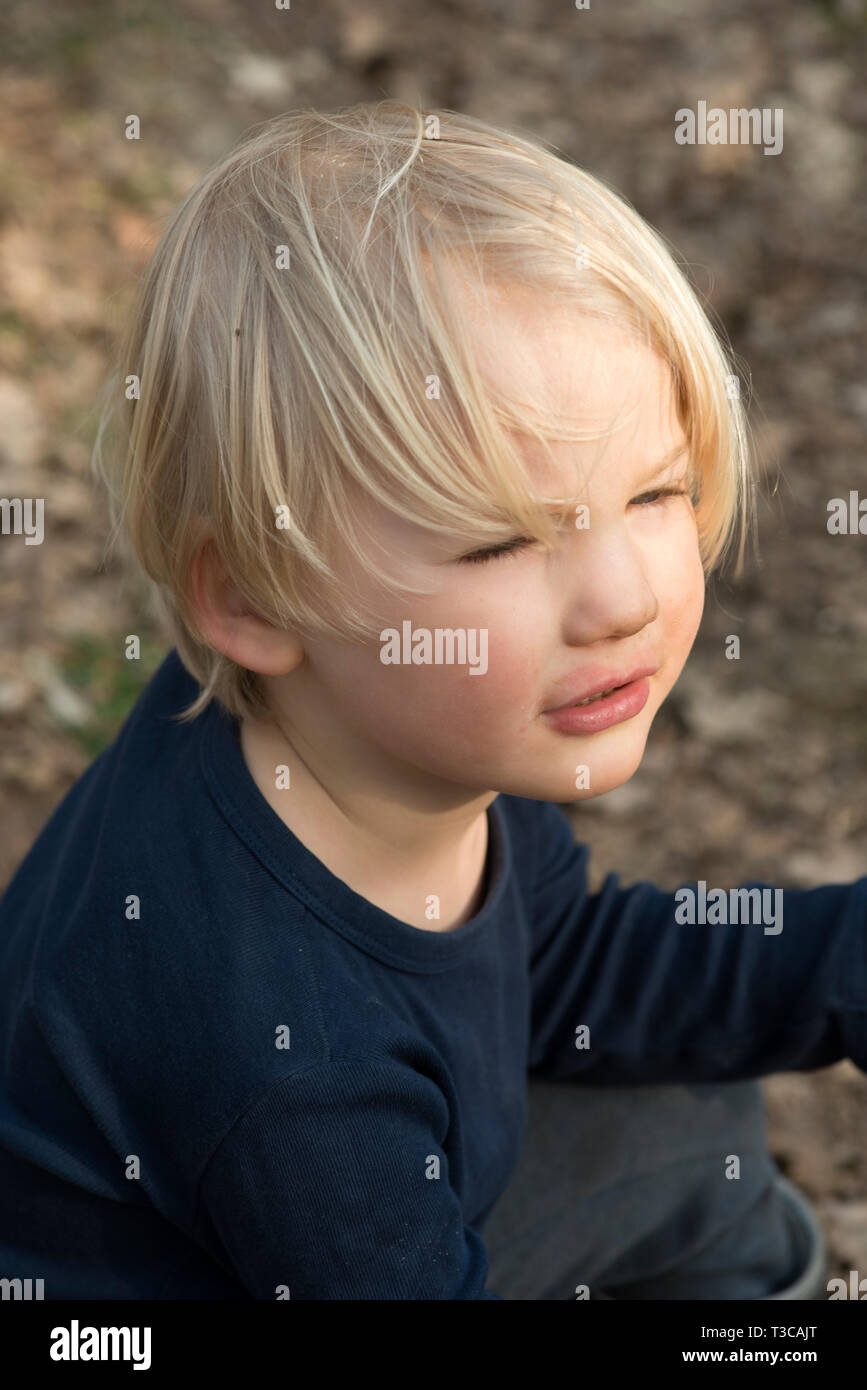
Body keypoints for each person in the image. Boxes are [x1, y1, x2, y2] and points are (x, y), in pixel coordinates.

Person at [0, 101, 859, 1300]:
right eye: (502, 541)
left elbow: (563, 968)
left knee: (686, 1107)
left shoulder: (361, 731)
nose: (620, 597)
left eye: (655, 492)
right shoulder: (293, 1067)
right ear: (252, 595)